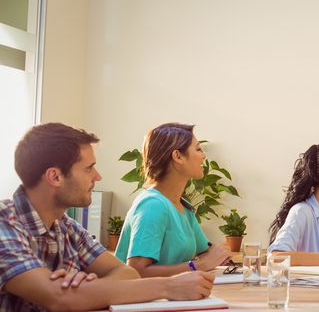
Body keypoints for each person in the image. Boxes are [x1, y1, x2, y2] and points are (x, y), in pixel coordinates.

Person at [0, 123, 214, 311]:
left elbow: (126, 273)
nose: (97, 176)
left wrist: (87, 289)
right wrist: (169, 286)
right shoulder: (4, 224)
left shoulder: (67, 228)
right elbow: (59, 299)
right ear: (55, 176)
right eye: (88, 168)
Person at [114, 123, 230, 277]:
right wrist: (201, 265)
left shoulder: (183, 206)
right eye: (198, 149)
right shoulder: (152, 205)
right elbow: (137, 271)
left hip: (172, 297)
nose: (203, 156)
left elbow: (205, 253)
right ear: (178, 156)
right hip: (144, 300)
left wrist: (219, 255)